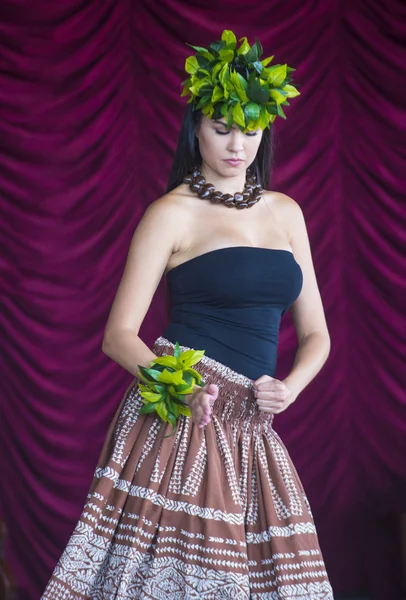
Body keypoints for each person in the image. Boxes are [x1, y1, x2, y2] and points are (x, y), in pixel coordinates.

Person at [42, 30, 334, 599]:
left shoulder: (286, 213)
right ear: (196, 128)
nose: (236, 146)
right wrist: (177, 385)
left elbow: (317, 333)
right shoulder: (170, 213)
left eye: (249, 131)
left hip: (251, 420)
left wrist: (291, 388)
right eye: (221, 129)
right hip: (184, 414)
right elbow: (118, 336)